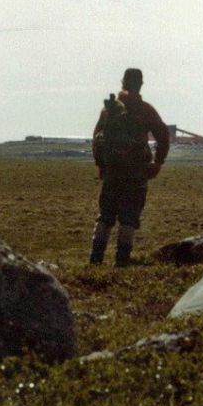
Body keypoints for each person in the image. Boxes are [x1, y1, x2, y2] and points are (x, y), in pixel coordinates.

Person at [89, 68, 170, 266]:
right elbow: (164, 136)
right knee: (129, 217)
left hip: (112, 171)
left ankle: (95, 259)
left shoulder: (109, 109)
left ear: (122, 83)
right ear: (140, 84)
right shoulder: (146, 109)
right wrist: (158, 162)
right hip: (137, 172)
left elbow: (96, 137)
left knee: (105, 215)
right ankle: (122, 261)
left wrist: (101, 164)